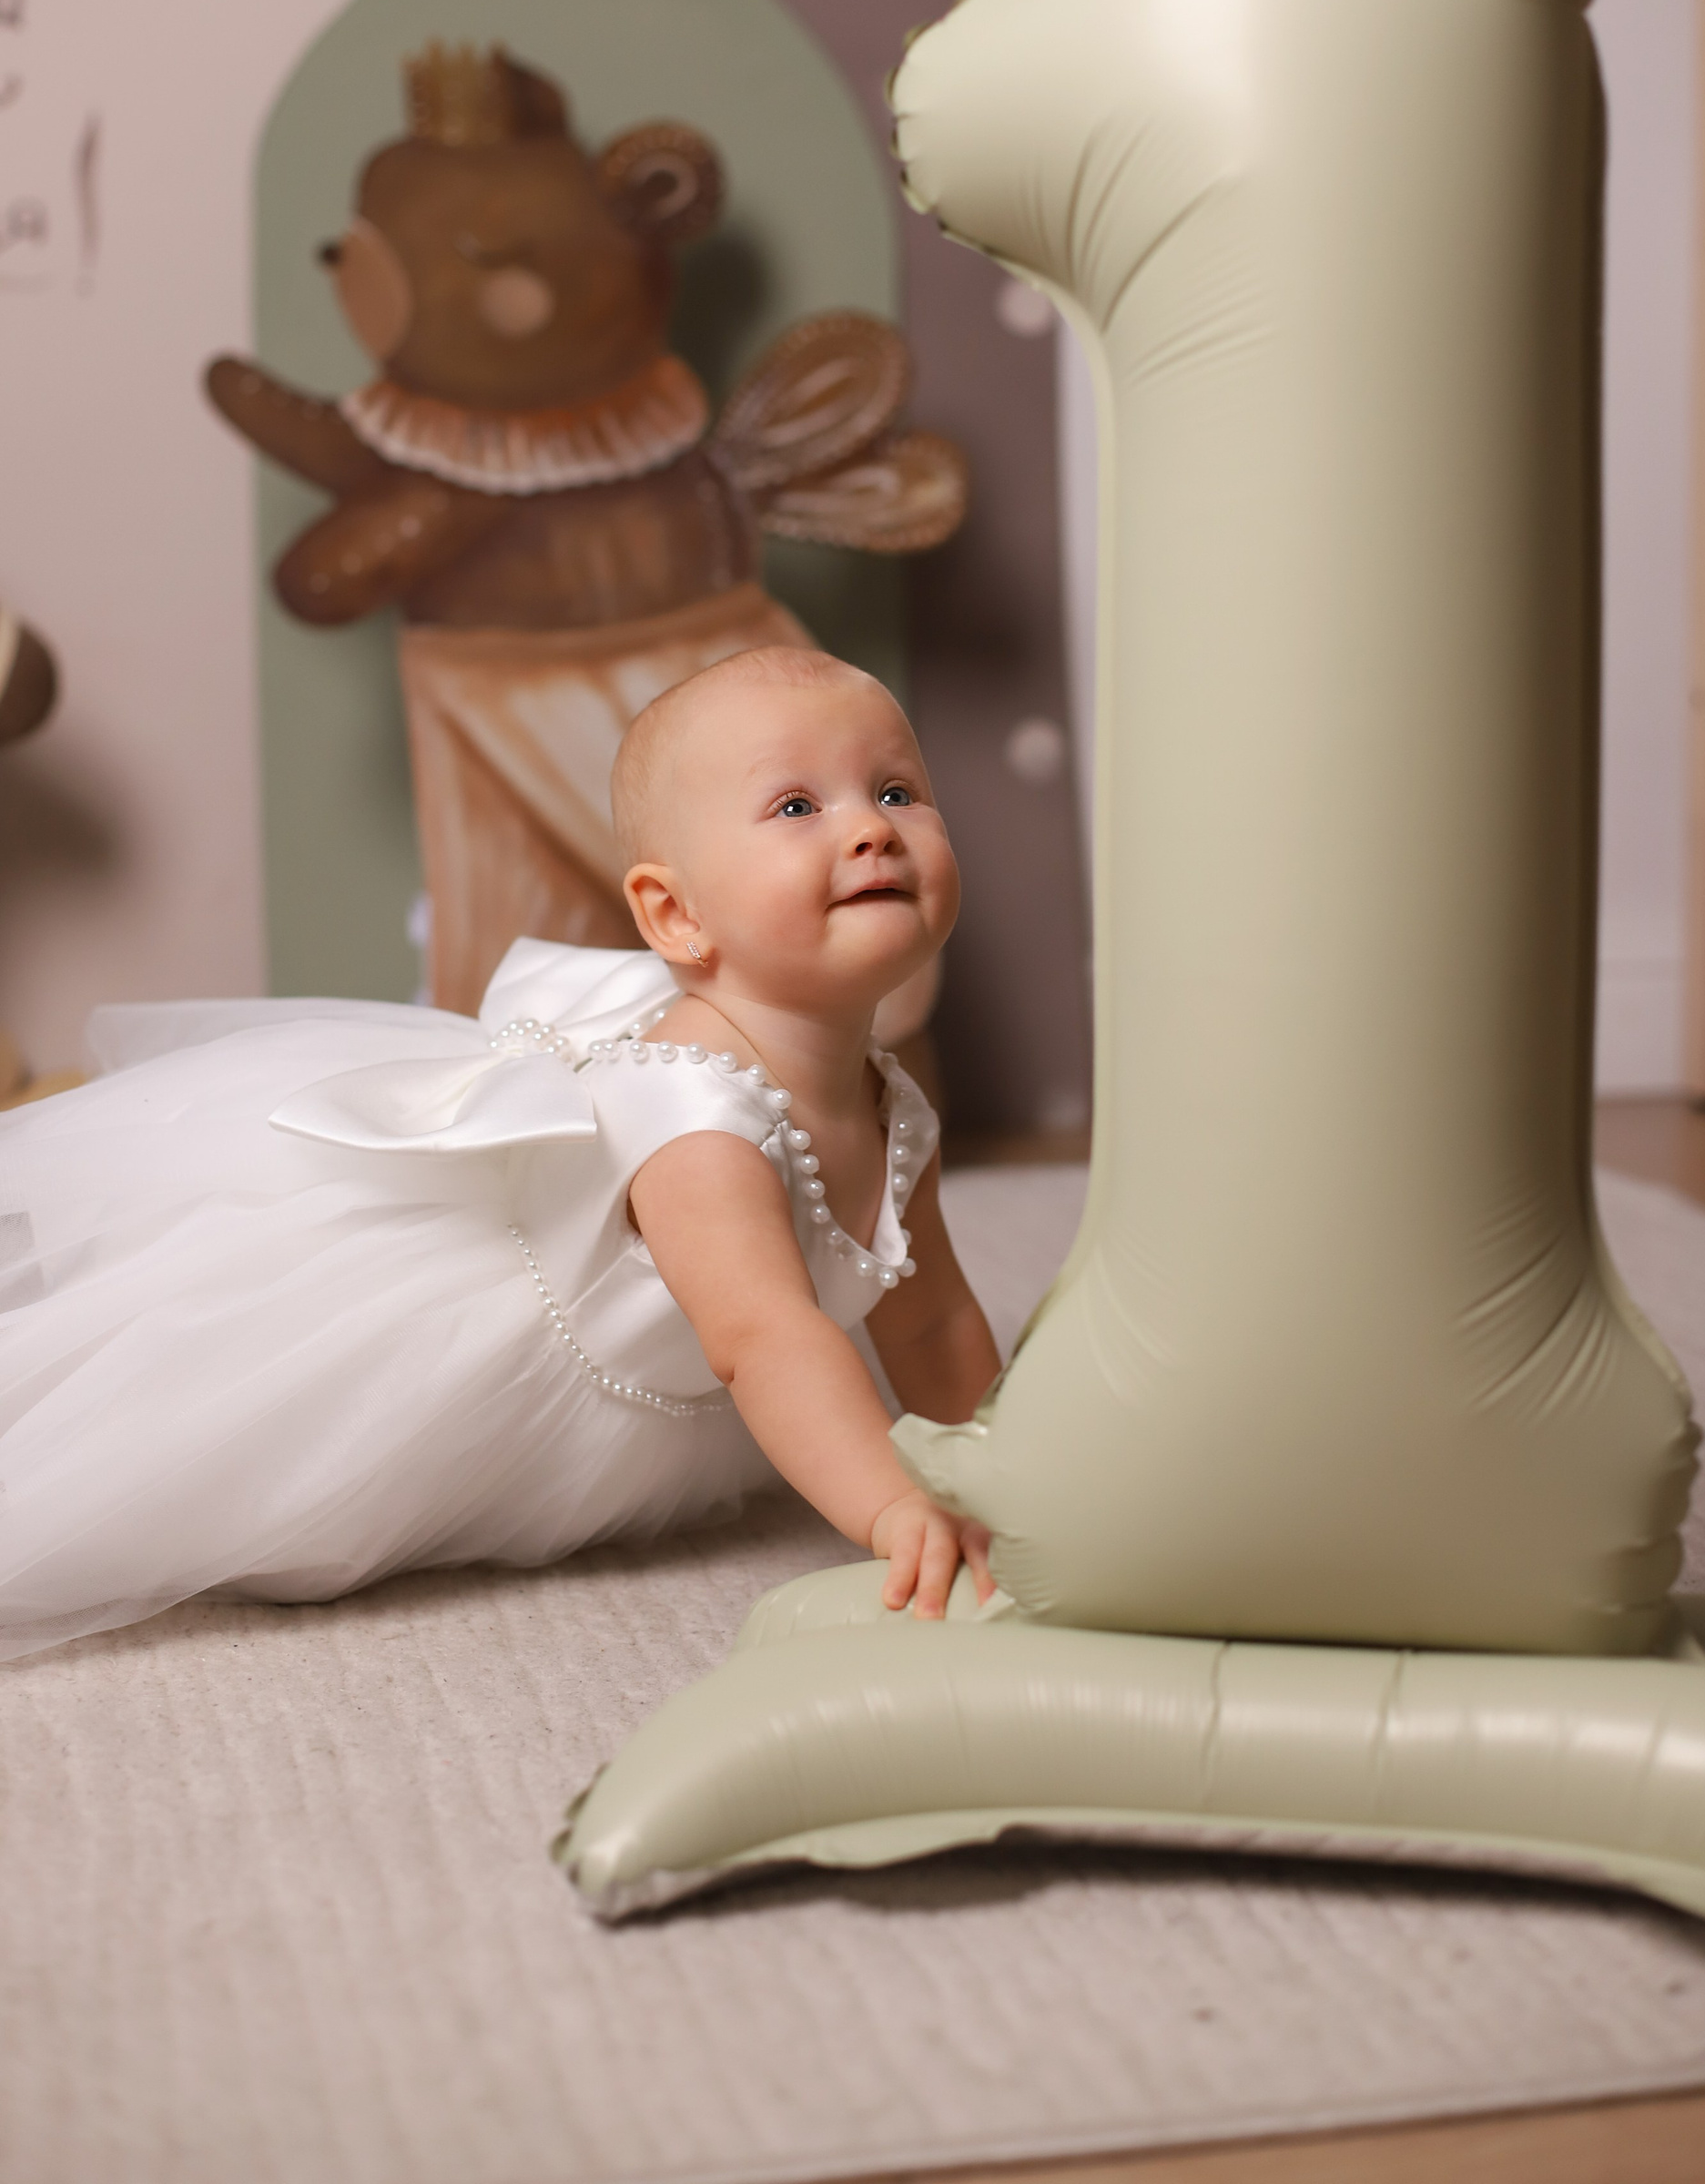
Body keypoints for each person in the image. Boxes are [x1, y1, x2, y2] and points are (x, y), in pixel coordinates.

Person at [0, 647, 1001, 1661]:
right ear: (677, 915)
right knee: (266, 1495)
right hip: (489, 1362)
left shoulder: (891, 1107)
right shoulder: (695, 1115)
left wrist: (997, 1470)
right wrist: (891, 1508)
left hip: (662, 1385)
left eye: (896, 791)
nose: (872, 828)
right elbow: (767, 1336)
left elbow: (934, 1321)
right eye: (796, 807)